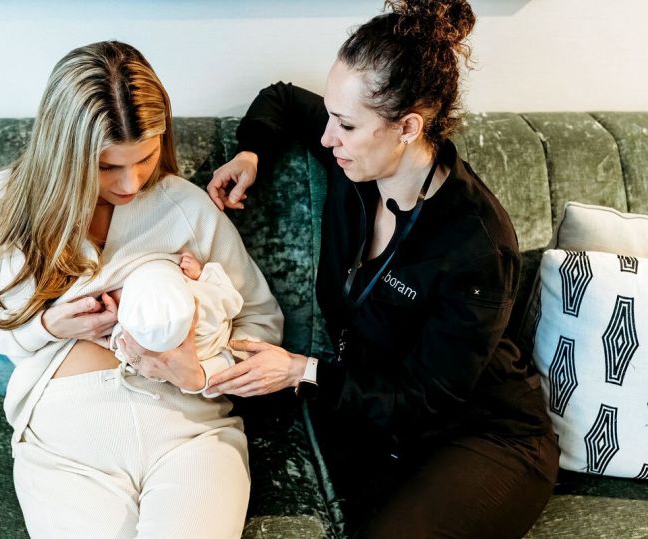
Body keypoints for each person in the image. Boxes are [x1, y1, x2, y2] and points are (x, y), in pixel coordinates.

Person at [205, 1, 559, 537]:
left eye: (346, 125)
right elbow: (281, 98)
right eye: (331, 116)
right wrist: (251, 154)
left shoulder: (476, 244)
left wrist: (302, 370)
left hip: (484, 435)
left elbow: (427, 398)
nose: (328, 138)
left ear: (408, 127)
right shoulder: (356, 163)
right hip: (381, 423)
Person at [0, 41, 283, 538]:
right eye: (107, 167)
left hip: (190, 429)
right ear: (63, 151)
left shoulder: (184, 205)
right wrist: (42, 326)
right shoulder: (2, 205)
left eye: (145, 159)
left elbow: (262, 321)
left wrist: (202, 369)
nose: (131, 184)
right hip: (66, 442)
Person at [102, 253, 243, 398]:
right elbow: (232, 298)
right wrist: (201, 274)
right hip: (212, 349)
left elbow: (124, 349)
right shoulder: (207, 301)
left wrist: (107, 337)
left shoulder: (136, 339)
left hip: (200, 362)